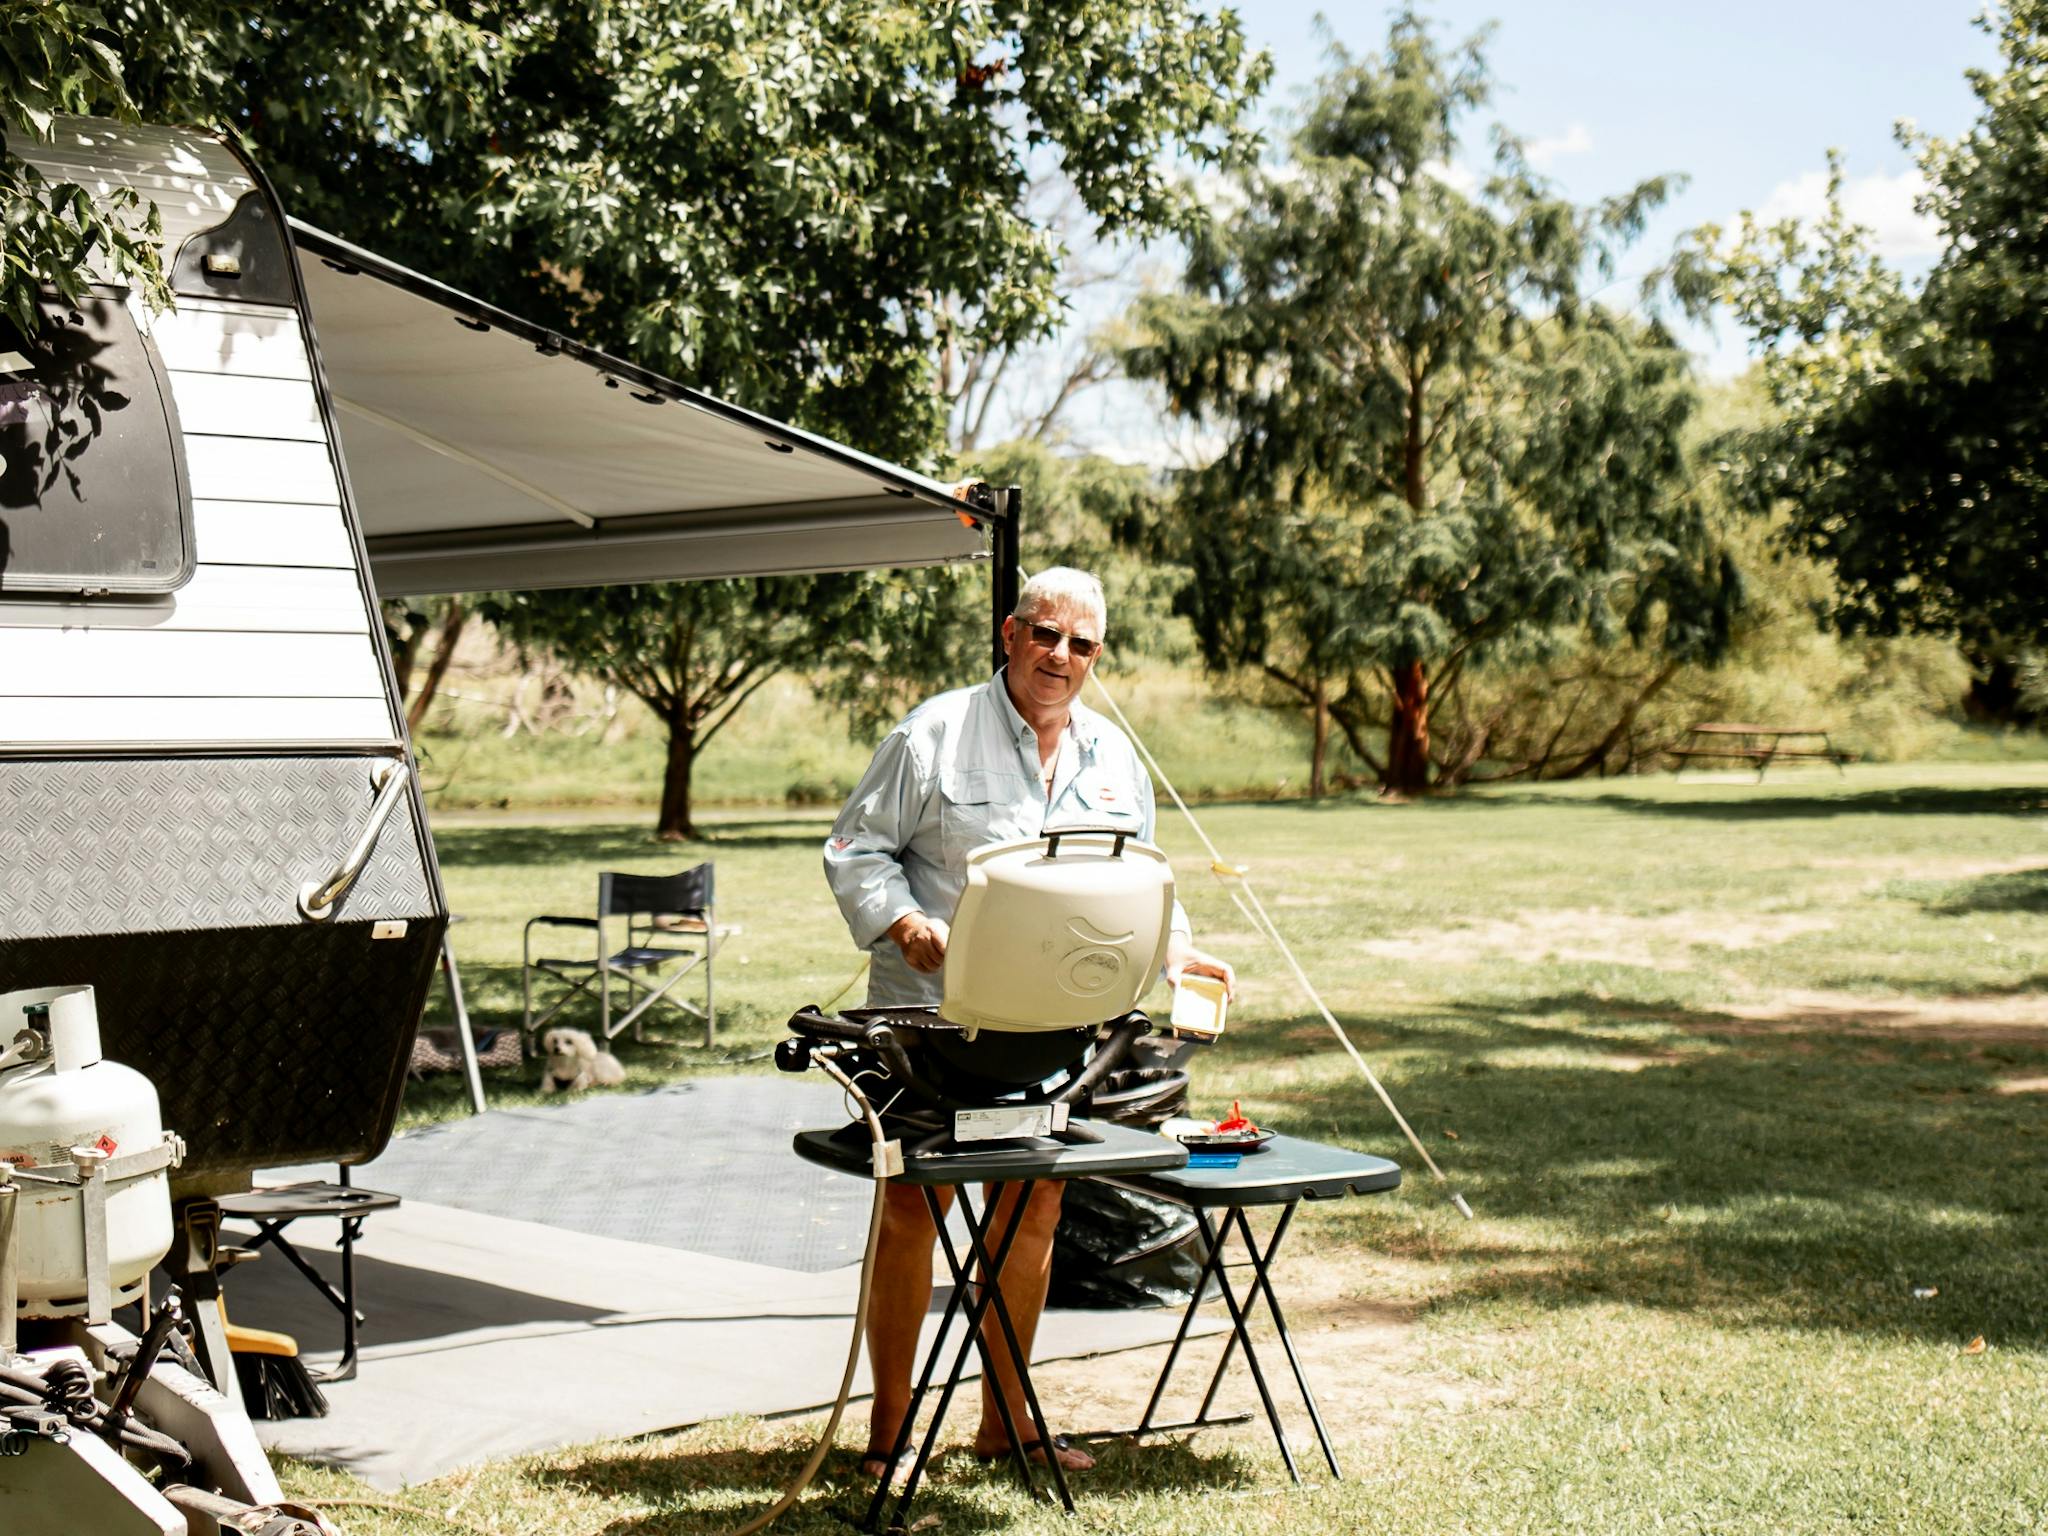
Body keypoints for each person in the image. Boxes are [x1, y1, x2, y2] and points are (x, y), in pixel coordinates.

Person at [823, 566, 1235, 1478]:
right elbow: (856, 850)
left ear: (1097, 656)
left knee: (1035, 1207)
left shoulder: (1114, 758)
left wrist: (1178, 954)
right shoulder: (932, 732)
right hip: (924, 1023)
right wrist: (902, 921)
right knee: (909, 1208)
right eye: (1045, 635)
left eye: (1080, 644)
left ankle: (1005, 1424)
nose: (1060, 656)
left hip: (1047, 1031)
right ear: (1010, 635)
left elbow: (1139, 879)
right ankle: (888, 1440)